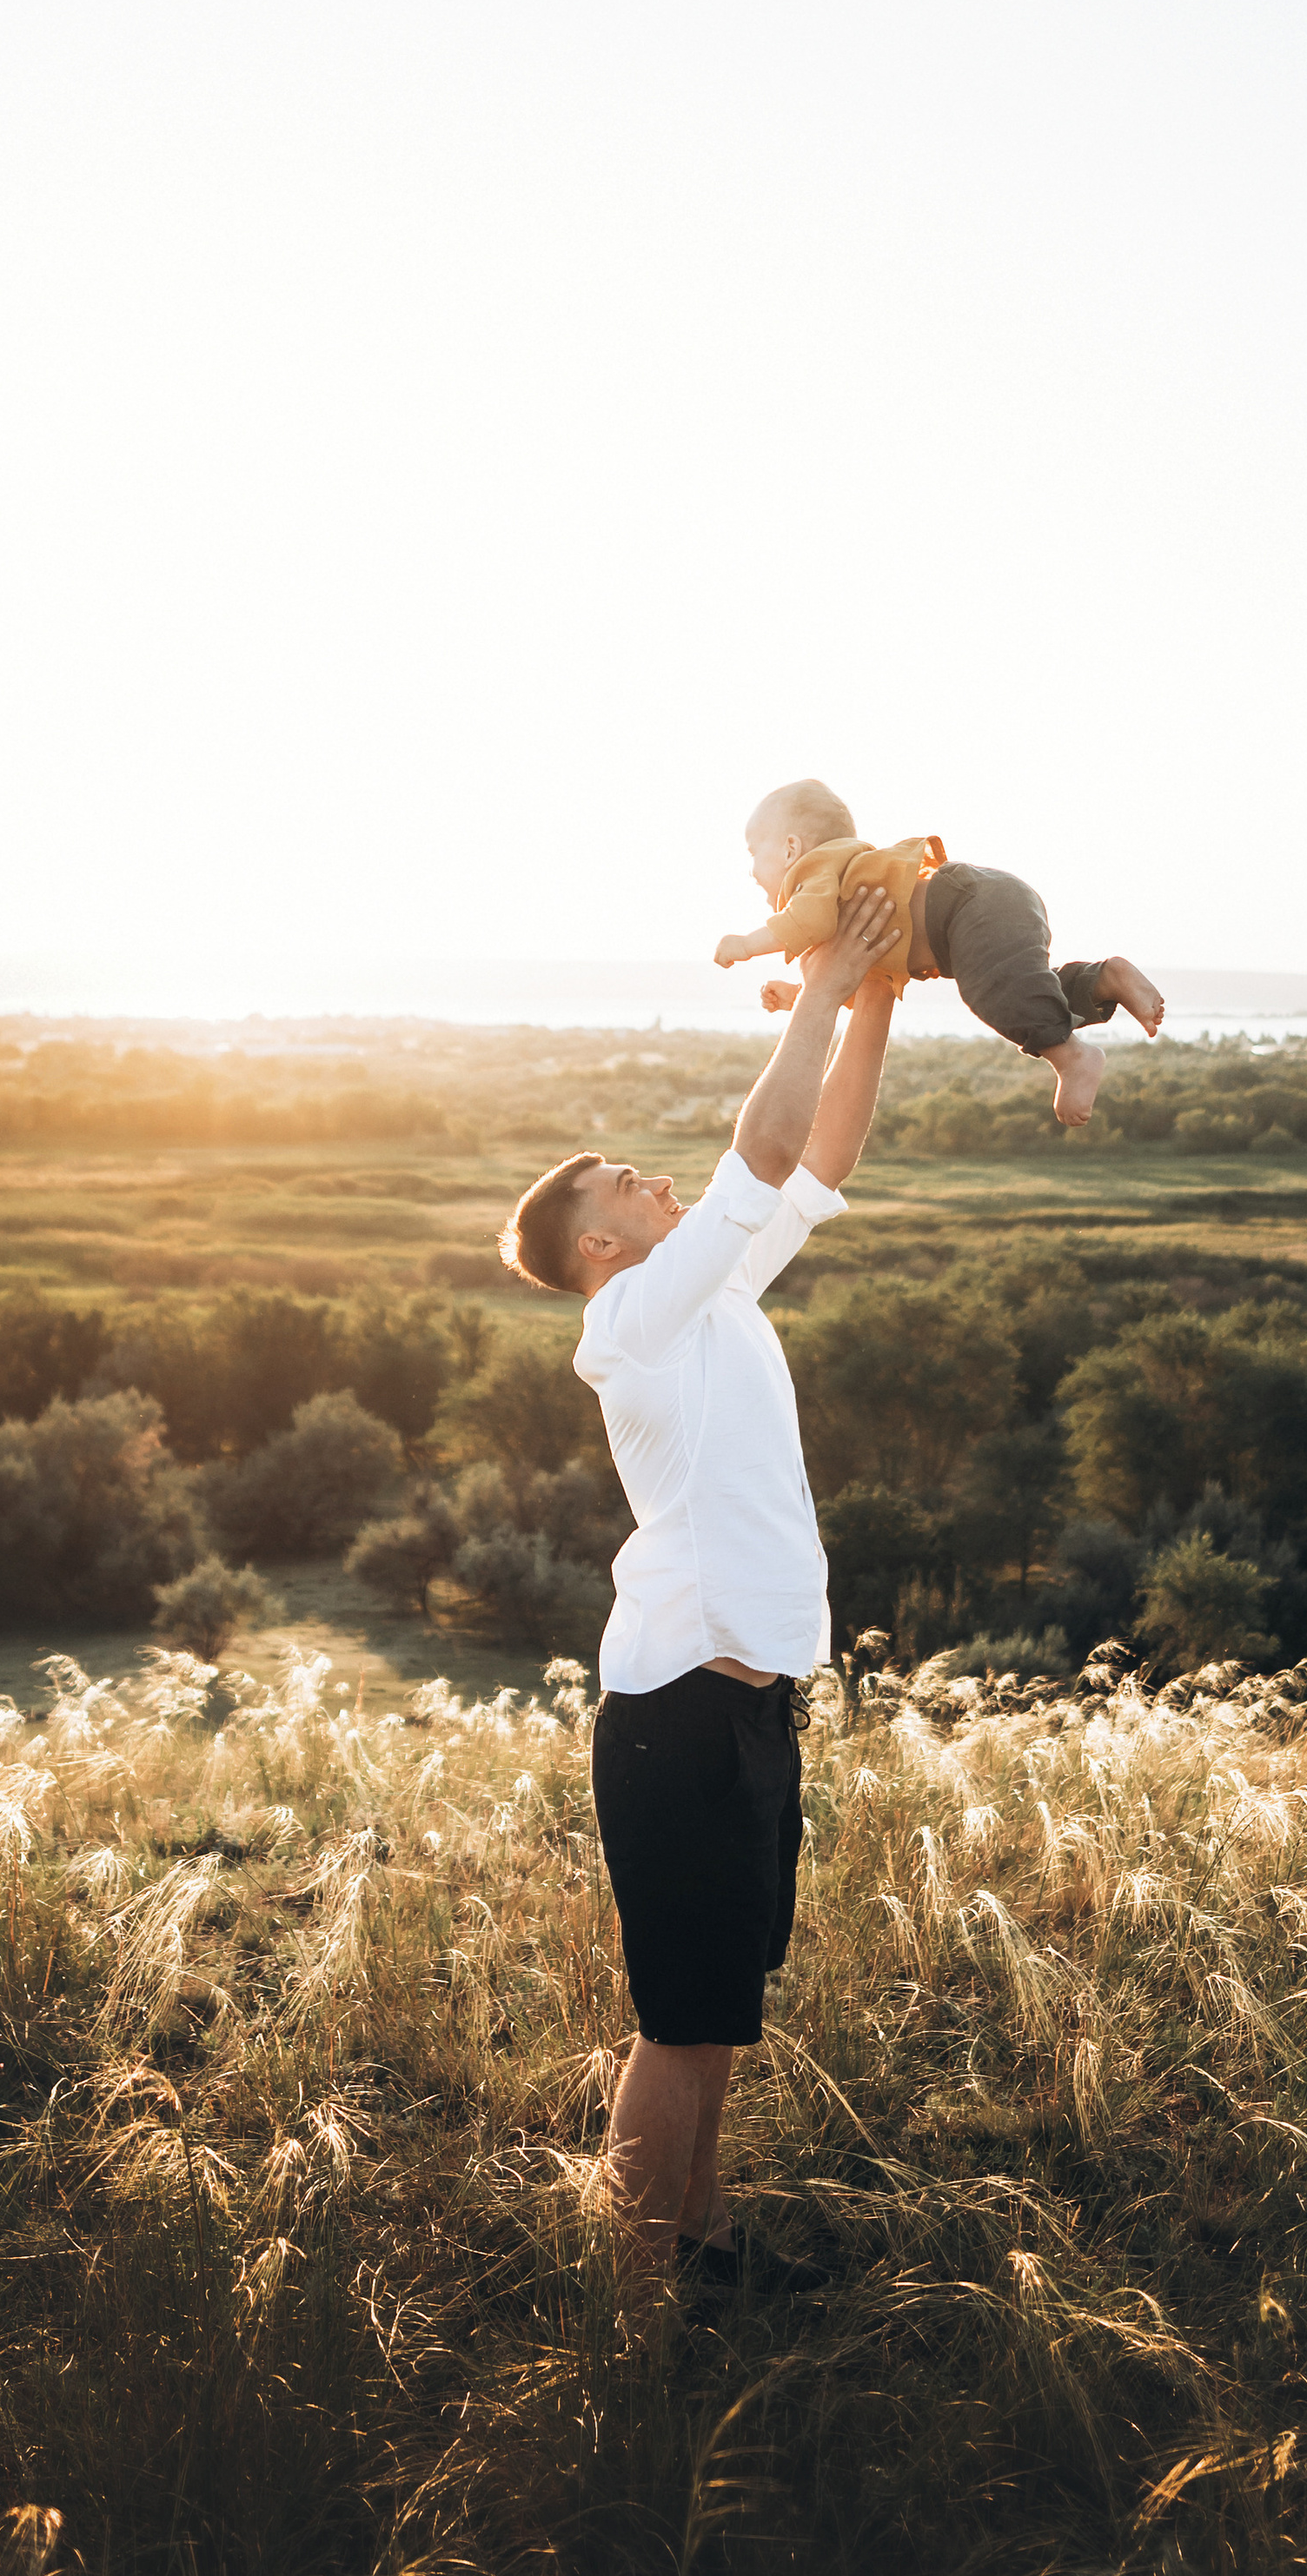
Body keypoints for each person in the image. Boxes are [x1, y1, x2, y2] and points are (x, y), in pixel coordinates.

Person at [499, 882, 902, 2308]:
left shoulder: (714, 1292)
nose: (657, 1183)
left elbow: (819, 1156)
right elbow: (764, 1140)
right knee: (678, 2023)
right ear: (598, 1245)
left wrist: (874, 1001)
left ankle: (708, 2243)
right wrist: (835, 964)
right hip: (675, 1707)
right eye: (627, 1185)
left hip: (748, 1700)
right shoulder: (632, 1318)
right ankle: (633, 2292)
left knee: (721, 2013)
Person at [713, 774, 1164, 1125]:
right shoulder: (843, 897)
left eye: (754, 852)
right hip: (980, 908)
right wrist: (801, 997)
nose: (751, 870)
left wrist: (749, 945)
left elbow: (805, 921)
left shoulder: (814, 874)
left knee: (994, 994)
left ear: (792, 848)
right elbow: (853, 984)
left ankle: (1072, 1056)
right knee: (1022, 989)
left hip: (964, 908)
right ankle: (1103, 980)